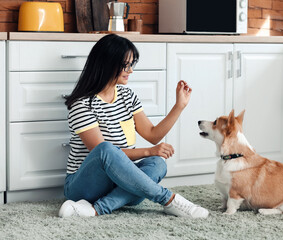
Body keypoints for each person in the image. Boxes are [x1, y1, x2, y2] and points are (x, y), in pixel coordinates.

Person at [58, 34, 209, 218]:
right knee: (107, 149)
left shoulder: (127, 96)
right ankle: (168, 200)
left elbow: (153, 135)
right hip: (82, 186)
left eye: (132, 64)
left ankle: (97, 209)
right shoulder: (82, 105)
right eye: (125, 65)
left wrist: (179, 106)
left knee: (157, 163)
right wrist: (149, 151)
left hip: (119, 181)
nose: (130, 71)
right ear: (107, 63)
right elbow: (103, 154)